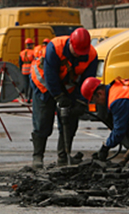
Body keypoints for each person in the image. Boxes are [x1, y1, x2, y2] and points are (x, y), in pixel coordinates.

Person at [30, 28, 97, 168]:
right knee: (43, 120)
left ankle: (63, 156)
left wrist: (81, 101)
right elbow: (50, 75)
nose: (79, 55)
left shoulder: (91, 55)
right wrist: (59, 96)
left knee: (70, 121)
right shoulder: (55, 47)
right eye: (76, 51)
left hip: (68, 86)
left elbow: (87, 81)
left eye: (81, 53)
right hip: (44, 85)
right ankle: (37, 157)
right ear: (70, 43)